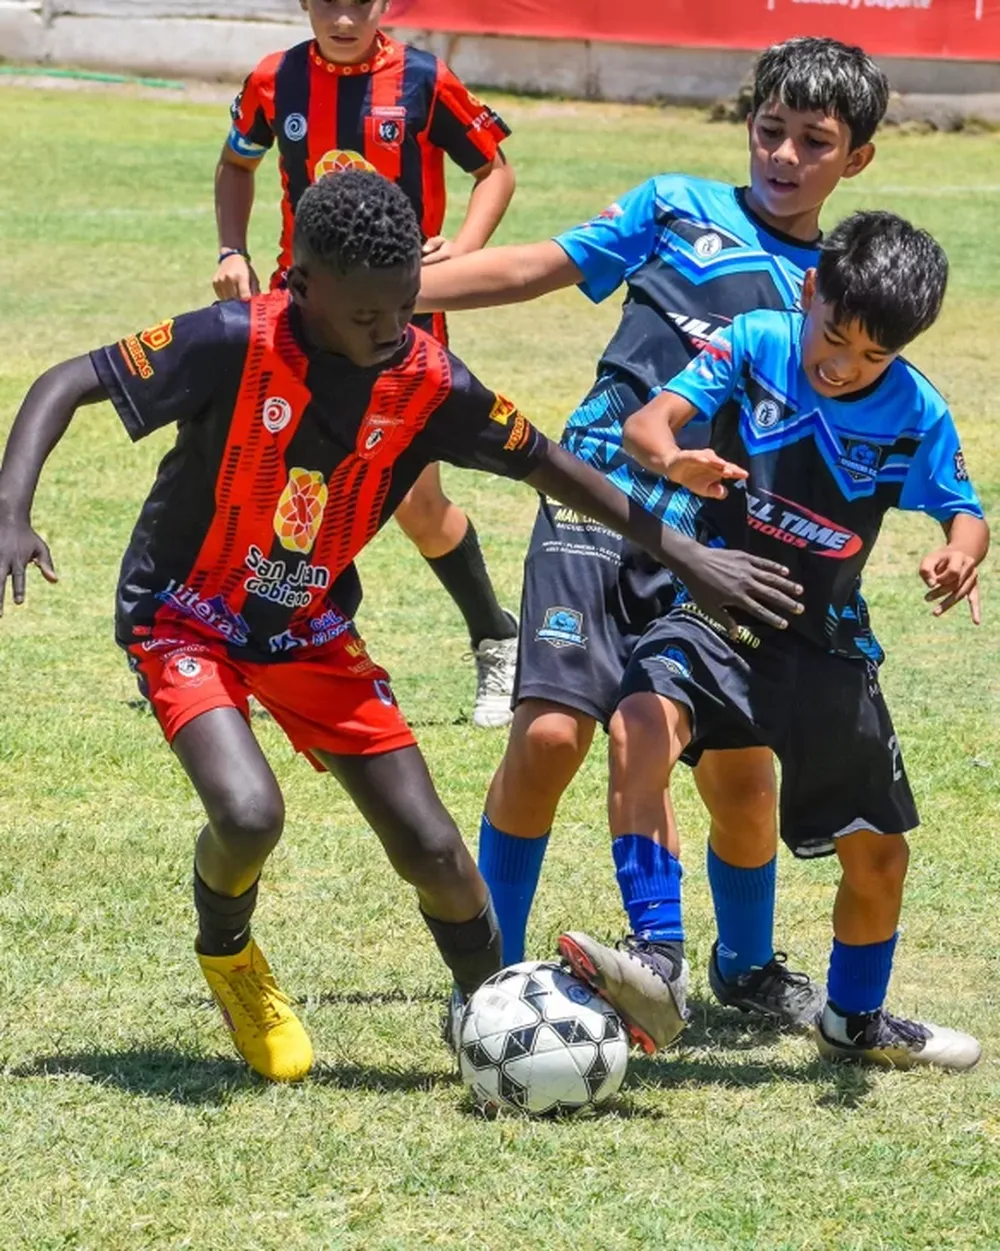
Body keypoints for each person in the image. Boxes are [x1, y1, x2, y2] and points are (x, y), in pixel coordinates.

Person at [0, 172, 803, 1083]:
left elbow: (552, 465)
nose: (391, 329)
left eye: (405, 306)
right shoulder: (233, 339)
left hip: (307, 628)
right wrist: (11, 509)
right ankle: (230, 954)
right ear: (301, 284)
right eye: (366, 314)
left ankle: (496, 1024)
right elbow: (67, 380)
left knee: (436, 853)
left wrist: (688, 555)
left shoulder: (428, 382)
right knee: (250, 813)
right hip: (184, 616)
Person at [417, 37, 888, 1023]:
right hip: (598, 497)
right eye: (770, 130)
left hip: (721, 547)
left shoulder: (838, 292)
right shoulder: (675, 205)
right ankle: (485, 979)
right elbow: (535, 267)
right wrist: (388, 293)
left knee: (740, 778)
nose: (785, 155)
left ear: (857, 159)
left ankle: (745, 969)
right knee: (550, 736)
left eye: (814, 141)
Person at [560, 211, 987, 1068]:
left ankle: (855, 1021)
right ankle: (657, 960)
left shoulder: (916, 409)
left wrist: (960, 552)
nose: (844, 365)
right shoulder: (756, 341)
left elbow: (963, 508)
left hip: (825, 642)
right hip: (720, 608)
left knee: (879, 859)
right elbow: (649, 425)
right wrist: (672, 459)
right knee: (638, 721)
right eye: (834, 337)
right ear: (809, 290)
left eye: (873, 356)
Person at [215, 0, 520, 728]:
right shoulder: (274, 80)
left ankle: (497, 637)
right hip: (299, 316)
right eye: (328, 1)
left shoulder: (424, 79)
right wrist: (232, 250)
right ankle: (267, 650)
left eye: (360, 2)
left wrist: (463, 249)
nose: (344, 18)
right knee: (283, 480)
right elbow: (235, 163)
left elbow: (495, 170)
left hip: (399, 317)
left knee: (416, 503)